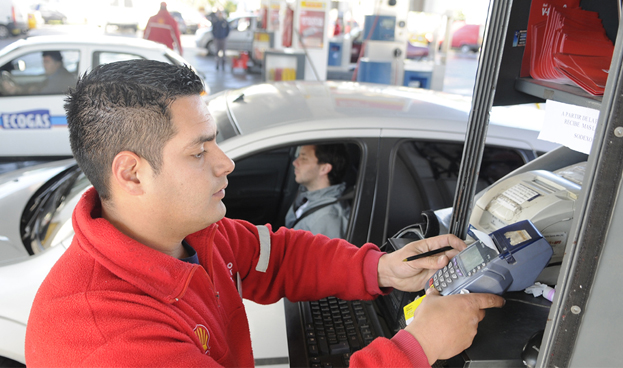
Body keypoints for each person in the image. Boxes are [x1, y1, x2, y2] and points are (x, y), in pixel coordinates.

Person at [24, 59, 504, 367]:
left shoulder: (195, 237)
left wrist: (380, 268)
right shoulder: (106, 339)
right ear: (130, 175)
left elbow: (276, 255)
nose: (225, 162)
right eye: (199, 151)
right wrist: (418, 346)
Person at [285, 144, 351, 239]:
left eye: (304, 159)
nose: (295, 162)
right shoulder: (308, 195)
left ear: (324, 169)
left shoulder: (327, 219)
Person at [0, 51, 76, 95]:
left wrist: (19, 90)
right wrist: (19, 88)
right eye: (43, 62)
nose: (44, 65)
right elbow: (40, 84)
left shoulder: (62, 79)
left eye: (47, 62)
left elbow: (41, 94)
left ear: (57, 64)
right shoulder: (54, 76)